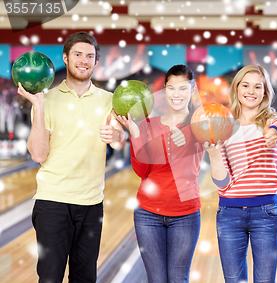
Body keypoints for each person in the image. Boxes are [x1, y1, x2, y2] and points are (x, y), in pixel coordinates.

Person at [17, 32, 126, 282]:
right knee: (50, 277)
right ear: (66, 58)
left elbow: (119, 143)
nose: (83, 60)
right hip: (52, 201)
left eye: (90, 56)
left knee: (85, 277)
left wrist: (117, 137)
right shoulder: (45, 99)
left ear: (96, 62)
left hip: (91, 203)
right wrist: (39, 106)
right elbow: (38, 154)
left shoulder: (109, 100)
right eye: (78, 54)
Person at [114, 65, 204, 283]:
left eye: (183, 88)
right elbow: (141, 171)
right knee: (156, 279)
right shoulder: (148, 125)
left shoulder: (200, 125)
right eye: (171, 88)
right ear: (164, 90)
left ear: (192, 90)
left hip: (185, 214)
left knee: (177, 278)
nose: (176, 94)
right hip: (148, 214)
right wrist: (135, 133)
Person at [205, 64, 277, 283]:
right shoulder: (224, 127)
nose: (251, 91)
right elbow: (223, 184)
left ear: (265, 92)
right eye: (246, 85)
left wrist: (272, 134)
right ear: (237, 89)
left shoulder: (275, 121)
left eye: (257, 86)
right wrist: (213, 155)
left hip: (266, 213)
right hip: (229, 213)